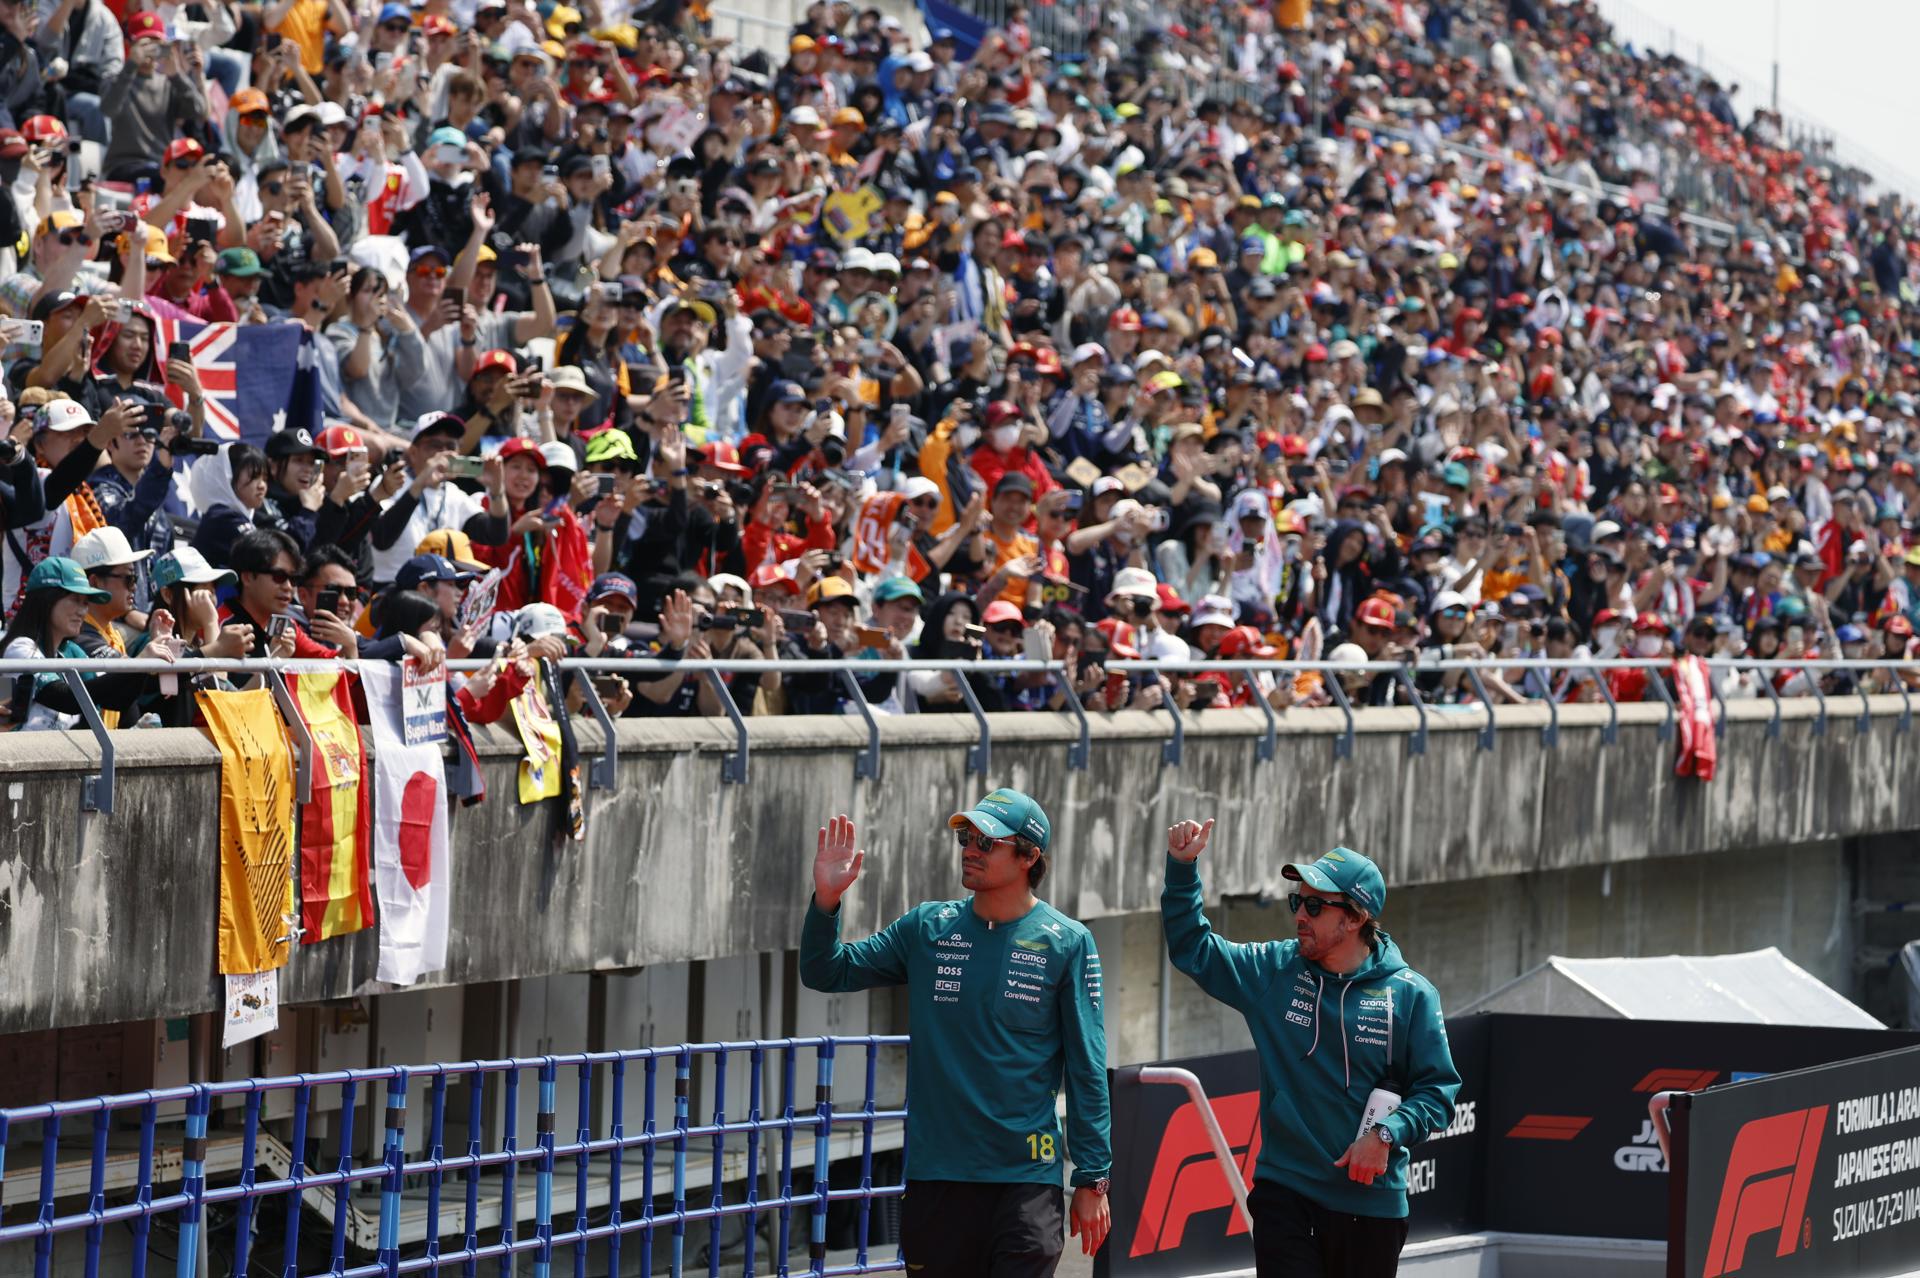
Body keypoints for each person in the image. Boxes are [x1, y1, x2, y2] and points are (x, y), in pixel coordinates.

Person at [801, 792, 1111, 1275]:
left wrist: (1092, 1179)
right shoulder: (927, 927)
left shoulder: (1068, 942)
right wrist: (826, 901)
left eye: (987, 842)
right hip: (937, 1178)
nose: (970, 850)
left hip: (1025, 1182)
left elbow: (1087, 1067)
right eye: (966, 838)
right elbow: (827, 971)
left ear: (1029, 856)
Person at [1161, 821, 1459, 1278]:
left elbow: (1438, 1092)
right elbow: (1194, 949)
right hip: (1286, 1193)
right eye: (1297, 901)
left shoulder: (1411, 994)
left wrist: (1386, 1134)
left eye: (1315, 906)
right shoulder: (1274, 969)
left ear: (1355, 918)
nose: (1300, 914)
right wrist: (1183, 868)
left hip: (1371, 1205)